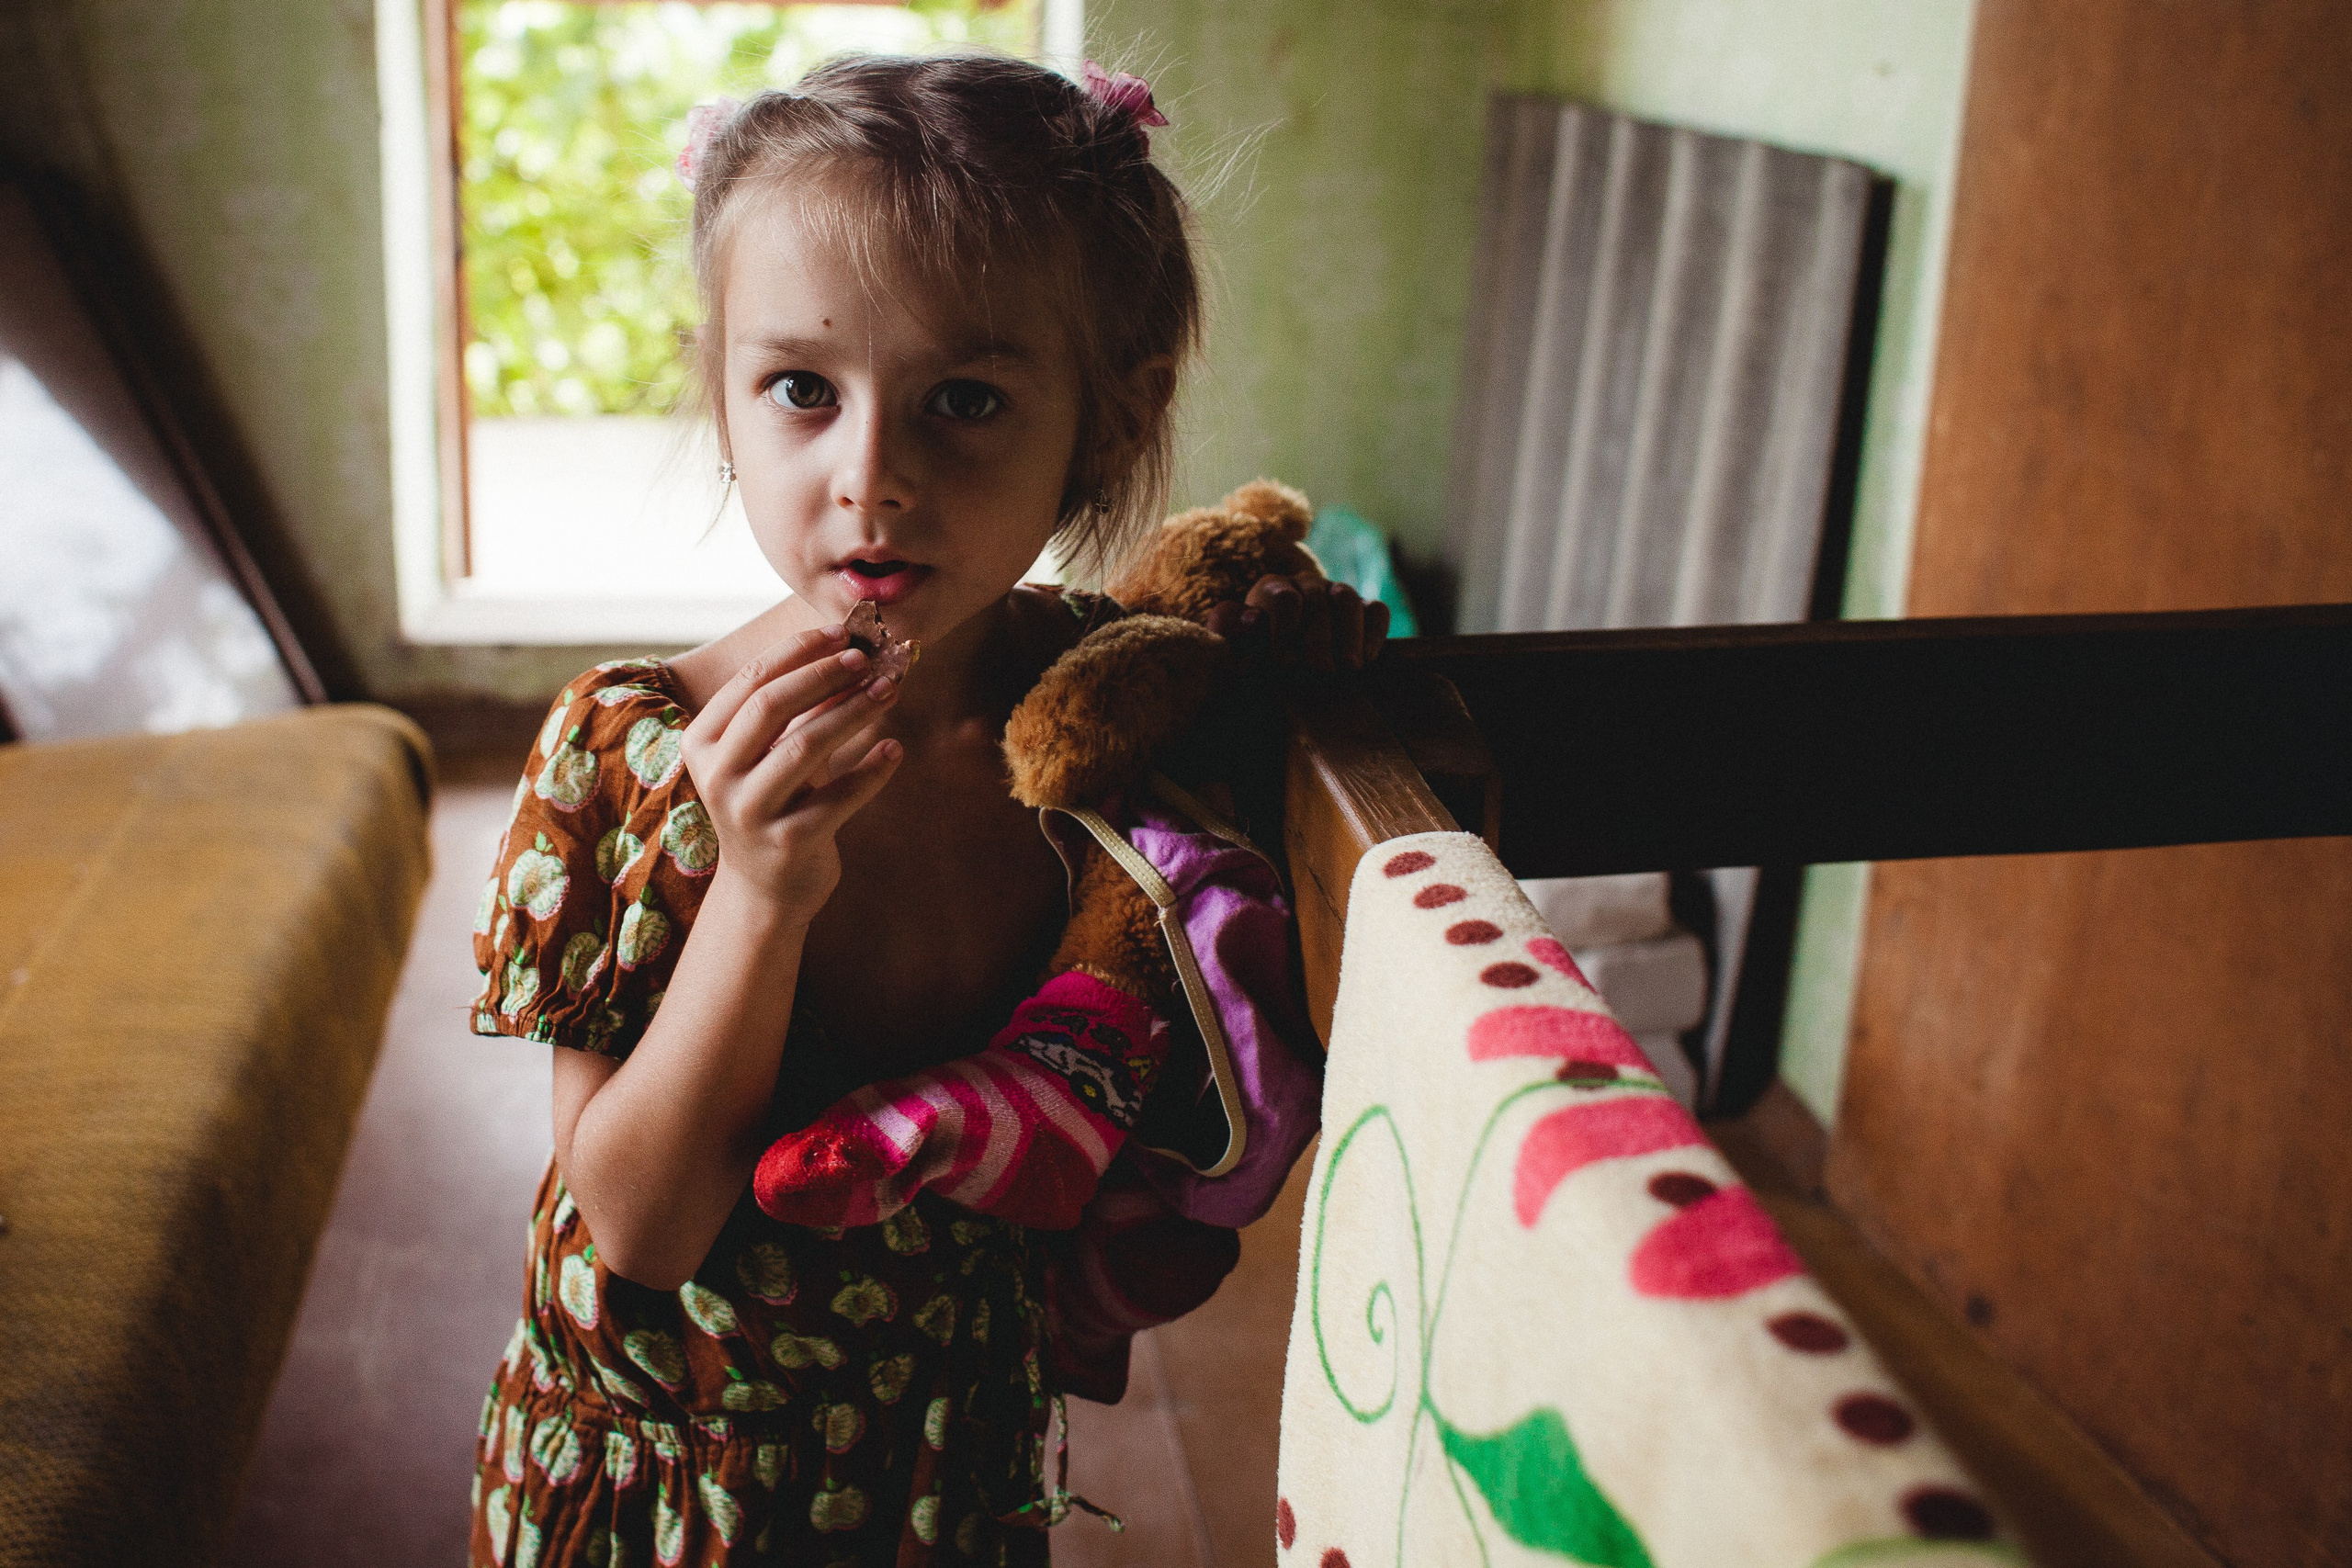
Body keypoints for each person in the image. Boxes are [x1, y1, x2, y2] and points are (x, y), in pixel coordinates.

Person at [465, 52, 1385, 1568]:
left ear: (1103, 422)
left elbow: (1244, 715)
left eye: (966, 399)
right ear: (725, 399)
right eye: (802, 391)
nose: (872, 475)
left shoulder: (1103, 723)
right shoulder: (638, 753)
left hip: (947, 1451)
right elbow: (638, 1228)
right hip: (675, 1481)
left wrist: (1304, 639)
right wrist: (762, 890)